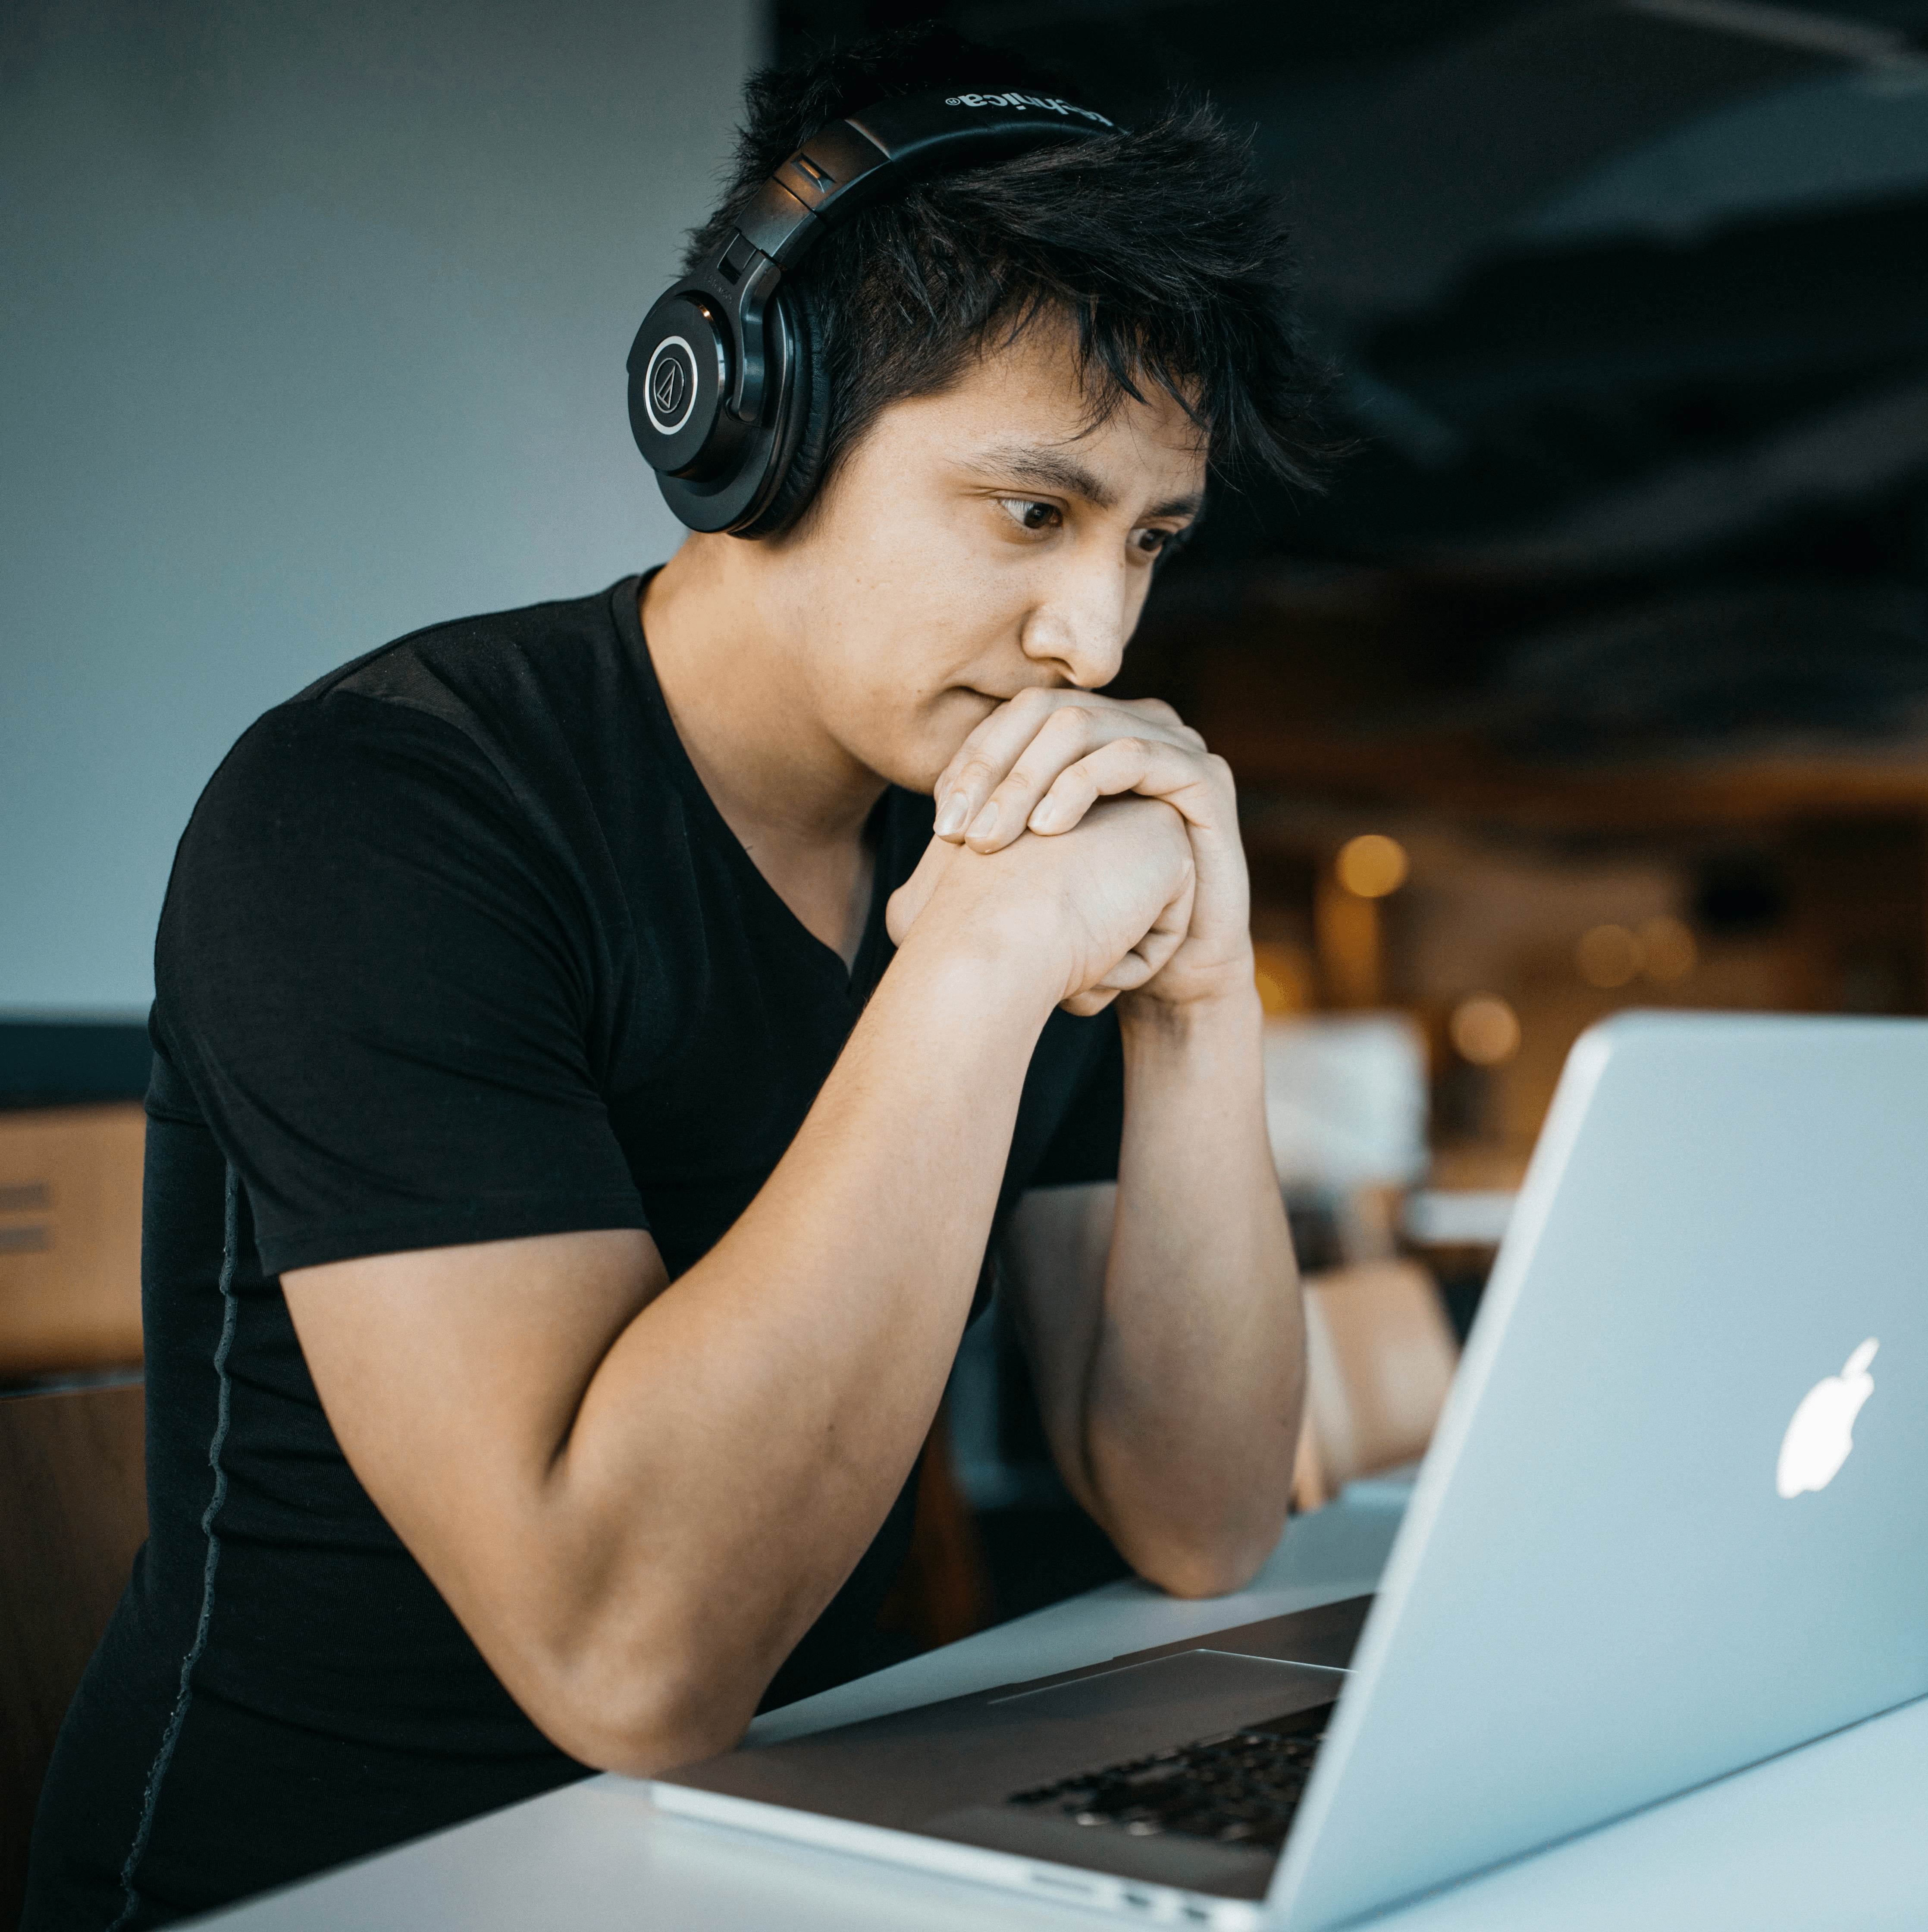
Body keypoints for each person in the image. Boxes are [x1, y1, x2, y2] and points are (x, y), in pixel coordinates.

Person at [26, 23, 1335, 1928]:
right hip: (339, 1879)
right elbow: (625, 1665)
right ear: (752, 422)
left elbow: (1201, 1520)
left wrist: (1198, 1002)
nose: (1095, 629)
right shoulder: (379, 810)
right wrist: (969, 972)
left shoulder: (984, 816)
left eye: (1151, 541)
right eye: (1030, 512)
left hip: (783, 1849)